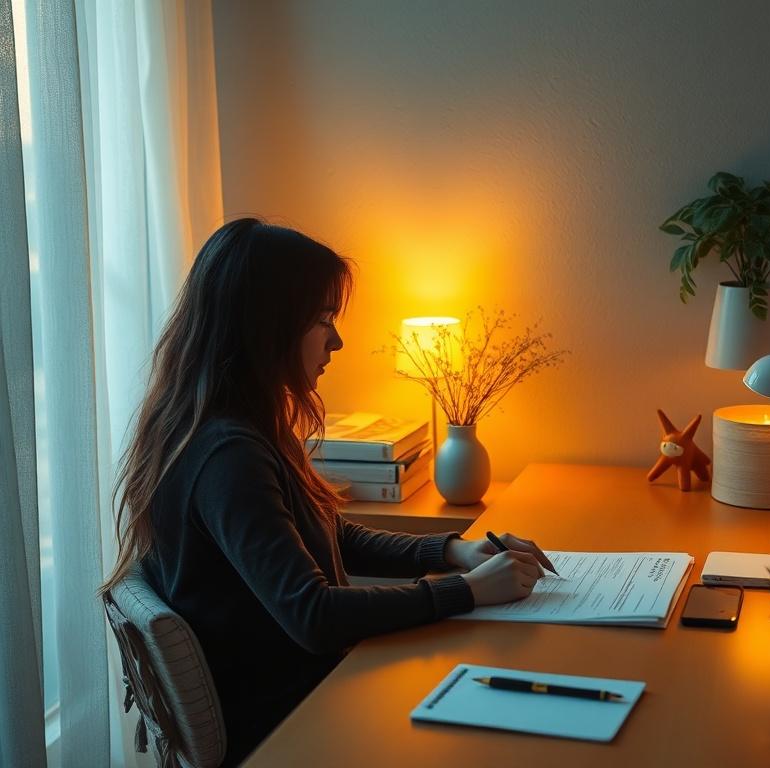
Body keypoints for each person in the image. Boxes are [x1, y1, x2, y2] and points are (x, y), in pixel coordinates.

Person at [100, 218, 554, 766]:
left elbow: (330, 532)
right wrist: (469, 592)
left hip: (304, 700)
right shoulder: (228, 455)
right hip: (290, 727)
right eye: (322, 321)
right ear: (267, 330)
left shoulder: (235, 425)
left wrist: (452, 551)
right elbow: (313, 616)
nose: (337, 341)